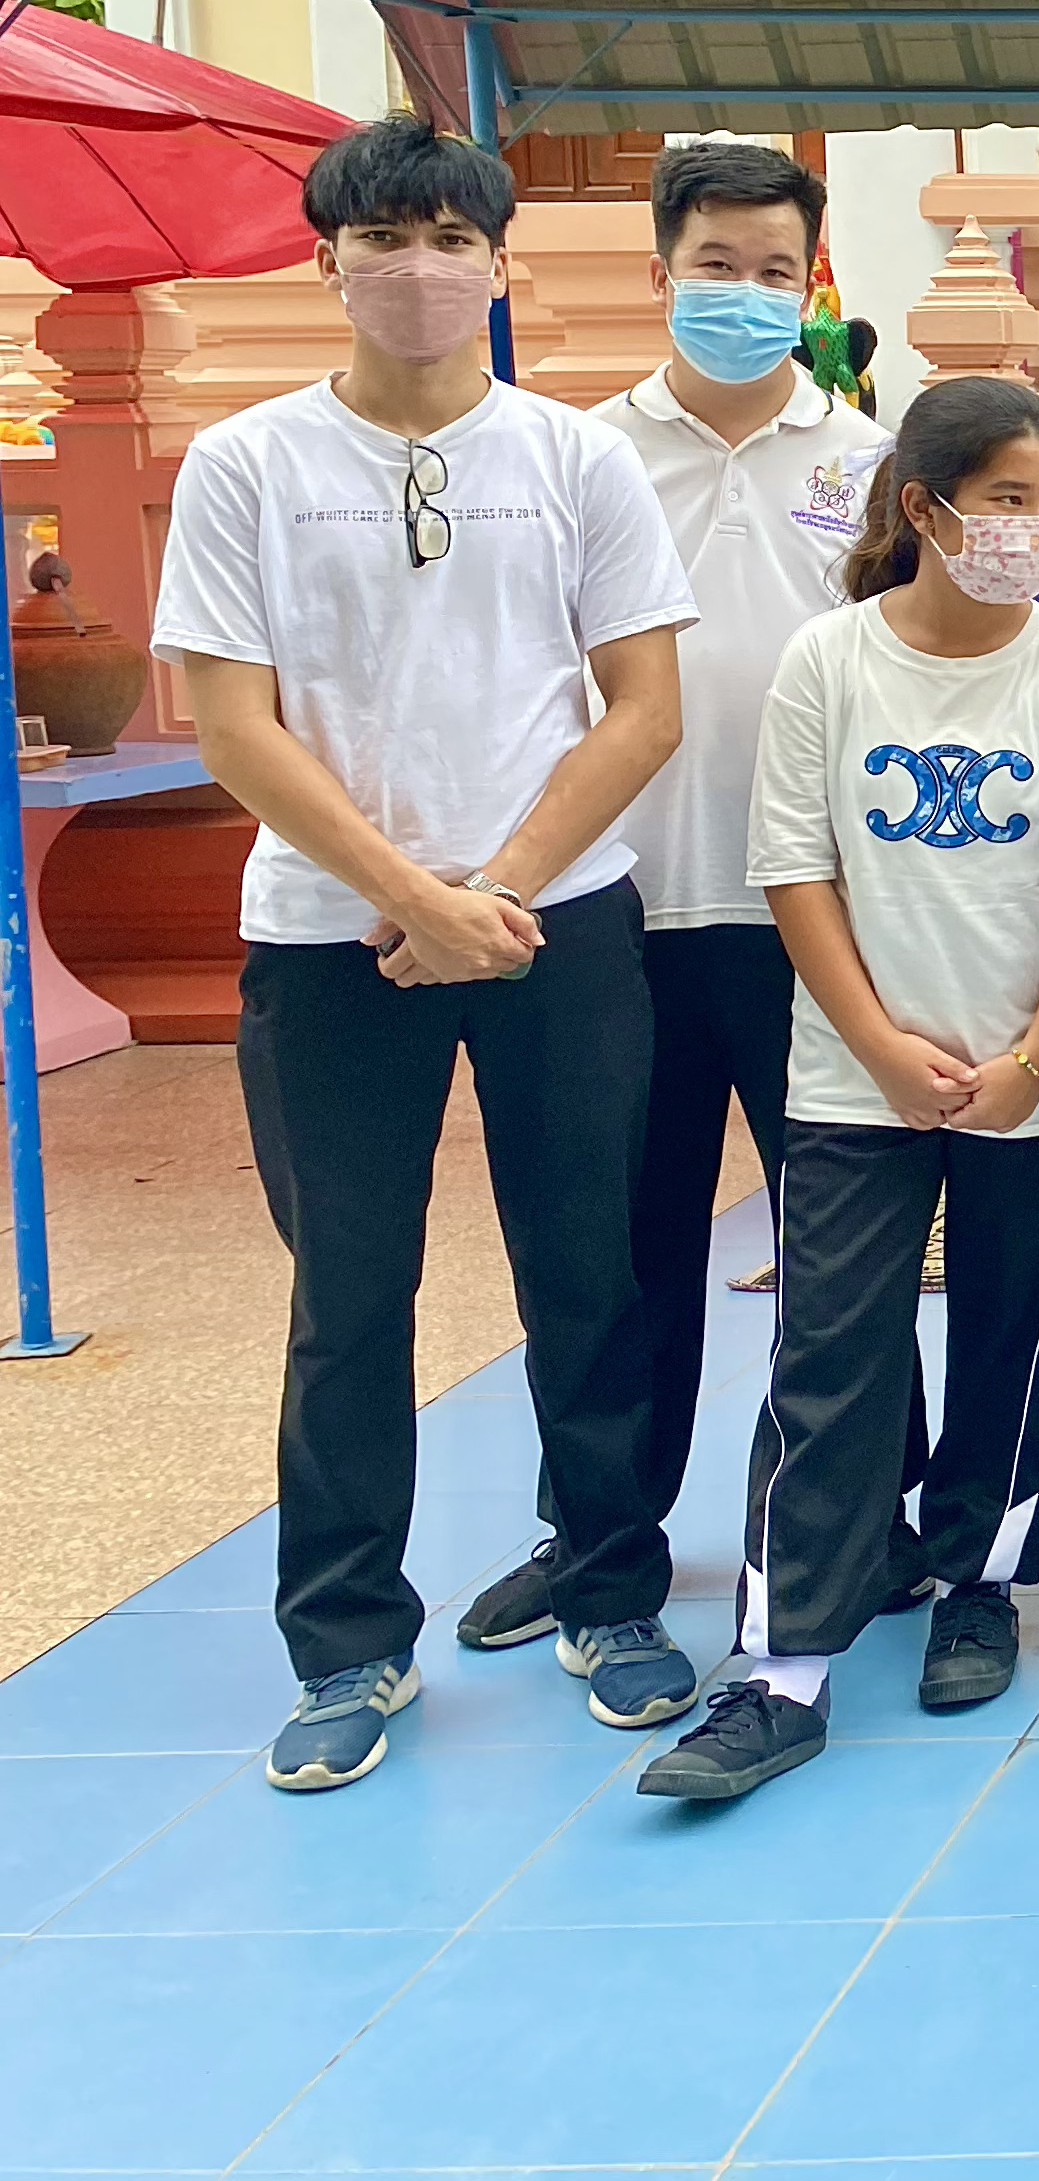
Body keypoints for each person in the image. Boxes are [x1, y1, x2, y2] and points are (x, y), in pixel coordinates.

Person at [157, 116, 701, 1795]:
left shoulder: (575, 458)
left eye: (452, 237)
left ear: (500, 262)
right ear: (326, 260)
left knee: (587, 1266)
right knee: (348, 1292)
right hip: (331, 937)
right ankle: (347, 1640)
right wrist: (411, 890)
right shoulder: (247, 463)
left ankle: (609, 1589)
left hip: (559, 920)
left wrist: (498, 892)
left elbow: (645, 706)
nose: (419, 265)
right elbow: (233, 723)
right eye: (384, 236)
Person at [633, 380, 1039, 1803]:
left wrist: (1036, 1057)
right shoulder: (829, 660)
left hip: (1031, 1083)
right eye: (1008, 499)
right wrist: (881, 1046)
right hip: (852, 1081)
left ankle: (980, 1582)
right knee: (829, 1357)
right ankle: (781, 1664)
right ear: (924, 507)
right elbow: (794, 866)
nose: (1035, 528)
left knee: (1015, 1343)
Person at [472, 143, 886, 1671]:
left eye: (776, 271)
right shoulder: (573, 458)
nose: (745, 294)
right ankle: (598, 1533)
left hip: (814, 922)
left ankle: (858, 1526)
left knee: (839, 1252)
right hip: (616, 912)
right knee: (619, 1252)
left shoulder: (872, 463)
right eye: (717, 265)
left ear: (811, 285)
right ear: (660, 272)